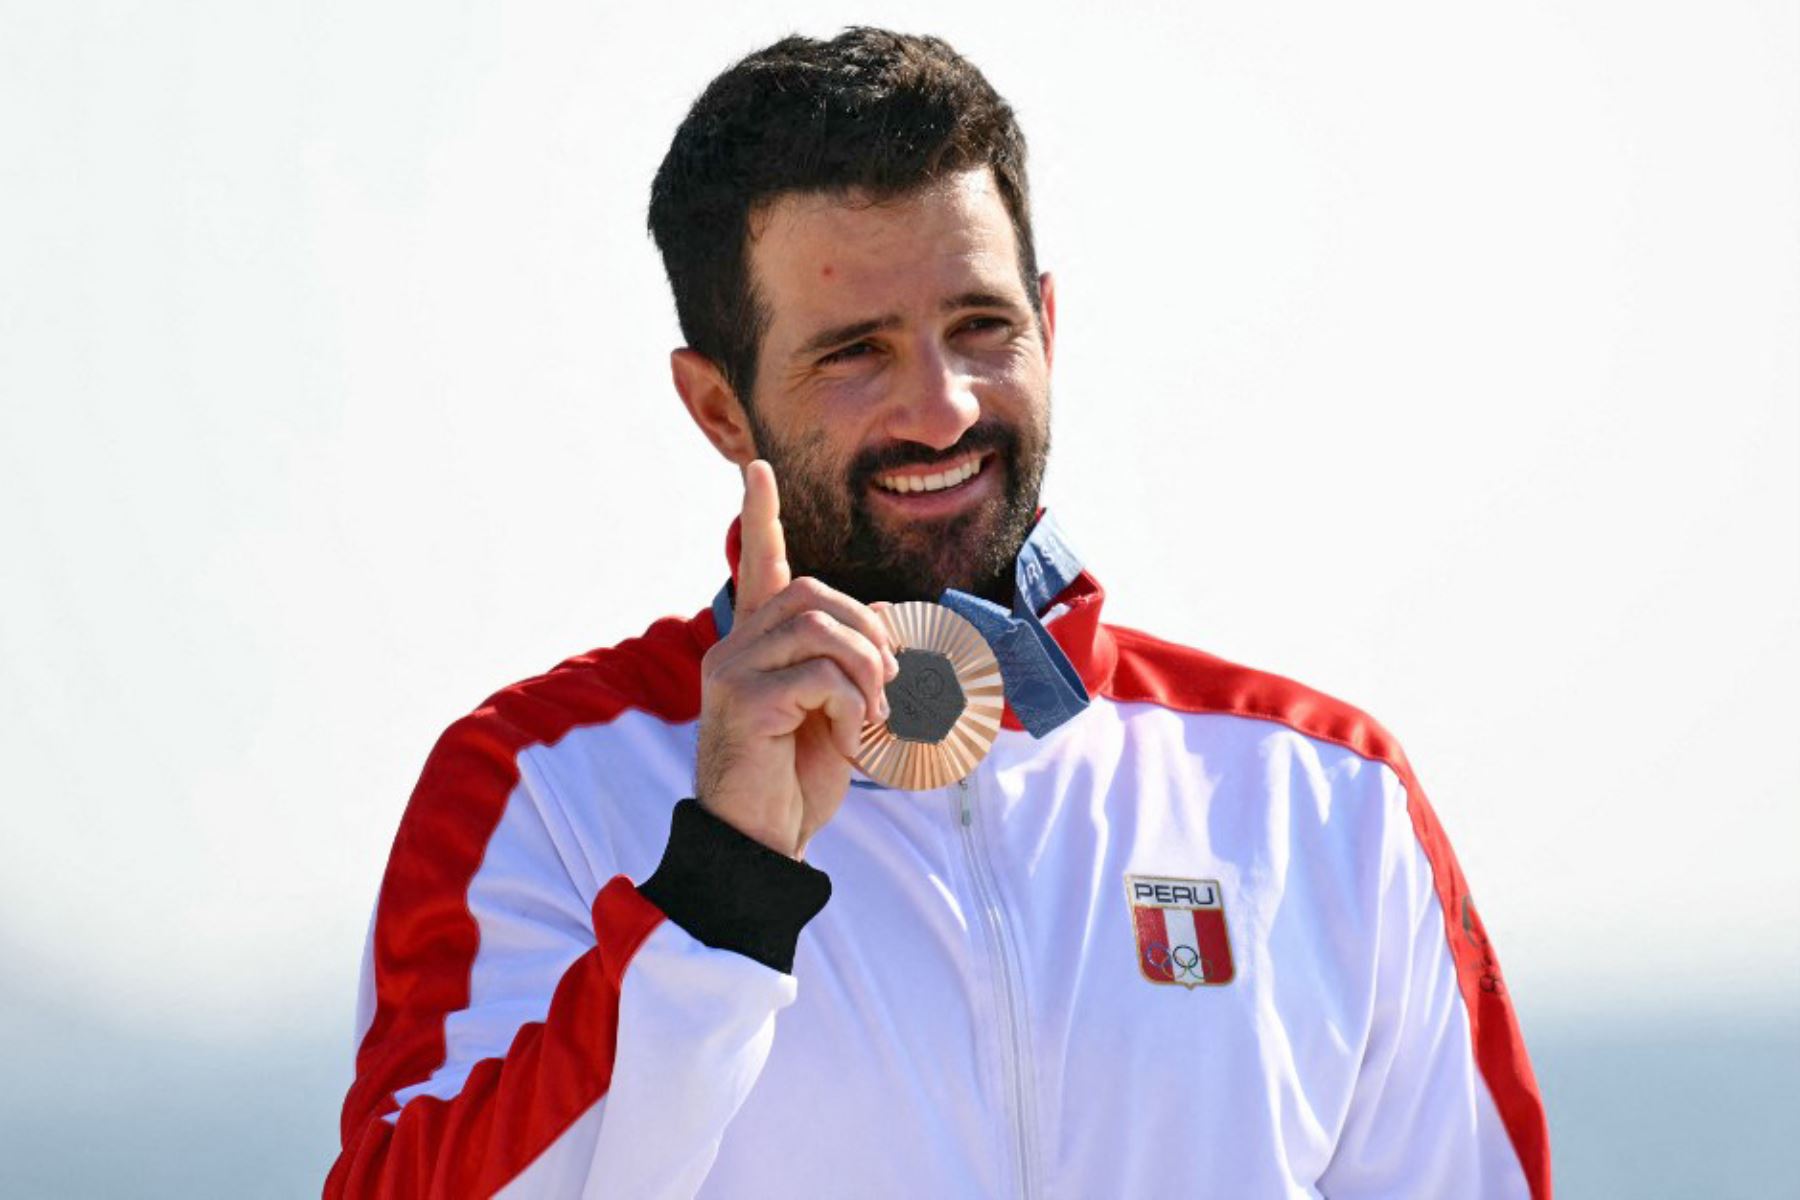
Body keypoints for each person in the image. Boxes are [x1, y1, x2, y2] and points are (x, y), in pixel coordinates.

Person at [327, 27, 1550, 1199]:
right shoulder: (542, 788)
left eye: (982, 327)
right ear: (719, 409)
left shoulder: (1323, 795)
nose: (943, 407)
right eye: (855, 351)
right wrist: (720, 891)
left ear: (1050, 326)